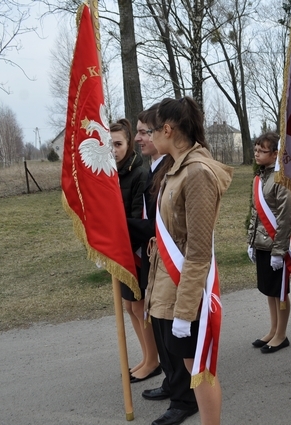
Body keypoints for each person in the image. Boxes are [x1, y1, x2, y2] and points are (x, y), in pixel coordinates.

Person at [146, 96, 233, 425]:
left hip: (187, 289)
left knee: (199, 367)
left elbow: (197, 249)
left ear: (167, 129)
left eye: (153, 129)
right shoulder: (176, 169)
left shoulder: (196, 173)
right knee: (189, 365)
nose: (150, 137)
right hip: (172, 284)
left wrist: (184, 312)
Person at [126, 106, 199, 425]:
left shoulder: (179, 169)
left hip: (176, 261)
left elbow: (166, 226)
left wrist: (121, 226)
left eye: (145, 131)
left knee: (174, 333)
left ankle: (185, 398)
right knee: (158, 324)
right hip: (158, 259)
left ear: (165, 131)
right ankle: (172, 382)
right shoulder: (158, 167)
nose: (140, 138)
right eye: (139, 132)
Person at [109, 119, 159, 383]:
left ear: (128, 145)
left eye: (118, 144)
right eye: (109, 145)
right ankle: (145, 355)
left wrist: (116, 239)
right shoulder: (111, 173)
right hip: (119, 249)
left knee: (139, 307)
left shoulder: (139, 173)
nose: (113, 150)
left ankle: (153, 360)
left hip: (135, 251)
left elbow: (138, 217)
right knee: (129, 307)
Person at [247, 132, 291, 354]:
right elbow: (255, 213)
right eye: (255, 149)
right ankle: (273, 329)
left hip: (276, 245)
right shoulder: (260, 177)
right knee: (269, 291)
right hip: (262, 244)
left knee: (279, 291)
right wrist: (251, 241)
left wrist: (279, 250)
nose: (257, 153)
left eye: (262, 150)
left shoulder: (280, 179)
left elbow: (285, 217)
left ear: (275, 154)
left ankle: (281, 334)